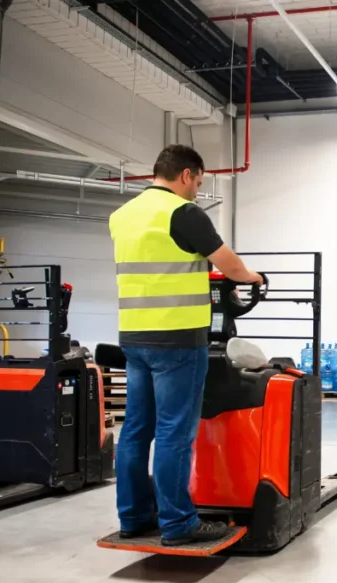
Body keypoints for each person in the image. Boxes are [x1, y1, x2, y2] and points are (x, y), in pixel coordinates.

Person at [109, 144, 263, 547]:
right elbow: (228, 264)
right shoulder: (184, 213)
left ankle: (134, 518)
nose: (198, 189)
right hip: (177, 339)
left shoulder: (122, 216)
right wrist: (253, 277)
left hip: (134, 337)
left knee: (135, 431)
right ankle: (178, 524)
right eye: (198, 180)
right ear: (185, 175)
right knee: (175, 432)